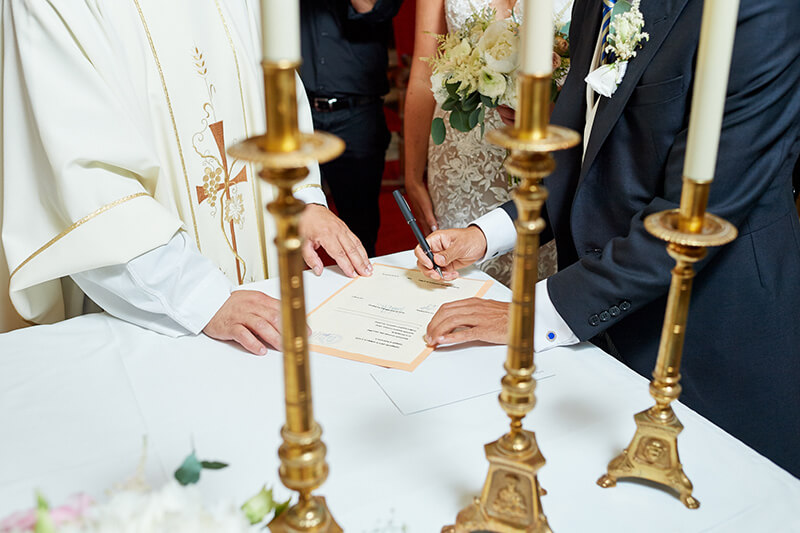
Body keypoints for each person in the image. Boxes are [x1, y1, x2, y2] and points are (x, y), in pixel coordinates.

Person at [416, 0, 800, 477]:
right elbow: (581, 149)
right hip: (600, 332)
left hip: (710, 335)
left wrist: (532, 315)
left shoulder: (759, 10)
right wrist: (486, 233)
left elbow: (697, 210)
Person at [1, 0, 373, 355]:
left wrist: (300, 196)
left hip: (261, 282)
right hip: (155, 308)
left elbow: (273, 81)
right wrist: (201, 297)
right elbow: (86, 175)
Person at [403, 0, 569, 285]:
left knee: (538, 280)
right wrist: (412, 174)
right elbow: (422, 74)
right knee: (458, 269)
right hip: (462, 155)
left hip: (546, 143)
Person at [299, 0, 403, 258]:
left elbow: (373, 8)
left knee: (359, 229)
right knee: (291, 221)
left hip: (355, 116)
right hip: (298, 113)